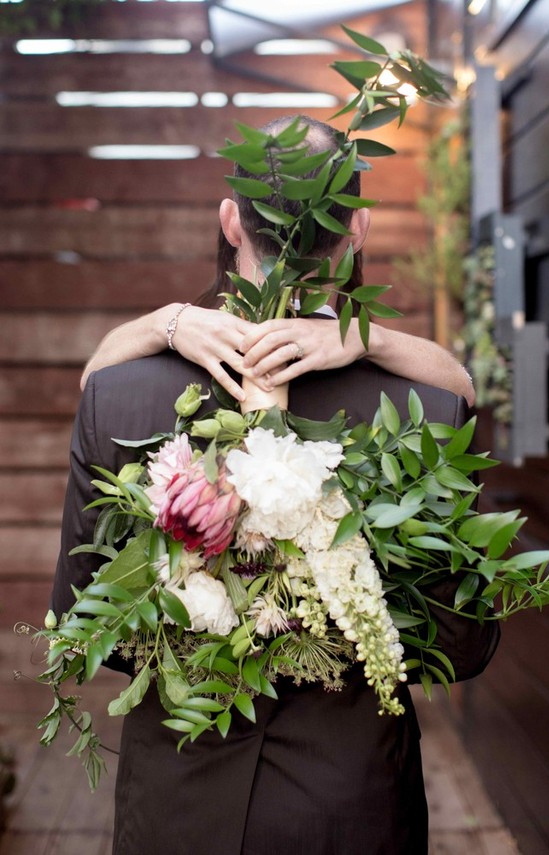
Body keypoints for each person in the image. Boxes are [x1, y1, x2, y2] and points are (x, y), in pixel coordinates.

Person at [51, 116, 497, 855]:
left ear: (231, 220)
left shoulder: (117, 395)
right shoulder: (431, 413)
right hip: (347, 807)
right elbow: (462, 642)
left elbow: (85, 618)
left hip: (178, 806)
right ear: (355, 228)